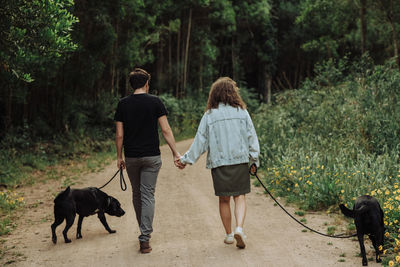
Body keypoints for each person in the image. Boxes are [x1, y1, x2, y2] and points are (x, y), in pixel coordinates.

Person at [177, 77, 259, 249]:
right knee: (240, 196)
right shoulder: (241, 112)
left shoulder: (209, 116)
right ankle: (239, 228)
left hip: (219, 164)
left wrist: (186, 160)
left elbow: (200, 141)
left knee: (224, 200)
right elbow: (251, 136)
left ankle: (229, 235)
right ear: (232, 93)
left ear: (214, 95)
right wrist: (254, 159)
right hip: (240, 161)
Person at [114, 68, 181, 254]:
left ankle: (143, 232)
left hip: (132, 157)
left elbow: (119, 135)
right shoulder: (155, 102)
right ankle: (145, 237)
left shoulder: (122, 104)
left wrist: (119, 156)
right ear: (146, 84)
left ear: (131, 84)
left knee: (137, 194)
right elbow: (166, 130)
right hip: (152, 156)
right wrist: (175, 153)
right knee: (148, 195)